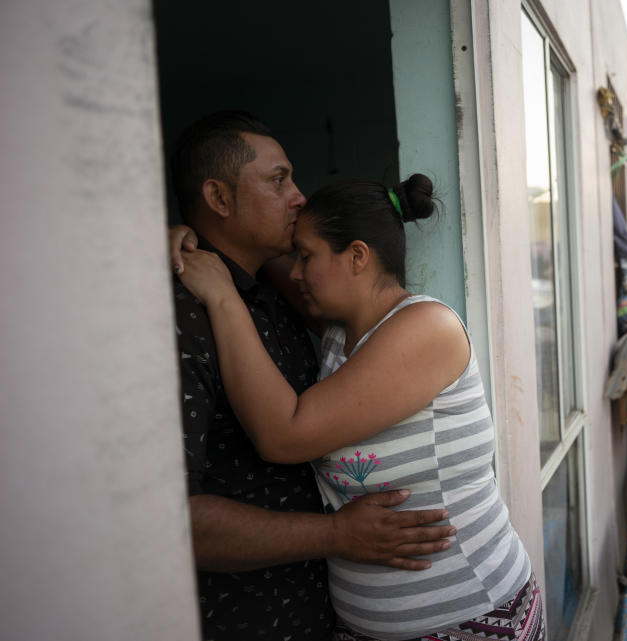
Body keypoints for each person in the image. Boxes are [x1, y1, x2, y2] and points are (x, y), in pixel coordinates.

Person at [174, 174, 544, 641]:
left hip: (468, 621)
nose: (295, 270)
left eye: (306, 256)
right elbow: (259, 260)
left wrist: (222, 295)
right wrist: (182, 242)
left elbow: (283, 435)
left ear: (357, 256)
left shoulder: (426, 329)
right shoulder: (339, 331)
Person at [169, 112, 455, 641]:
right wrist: (335, 535)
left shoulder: (276, 294)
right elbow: (167, 518)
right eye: (279, 181)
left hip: (318, 613)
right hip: (243, 619)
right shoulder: (182, 313)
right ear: (219, 198)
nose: (299, 196)